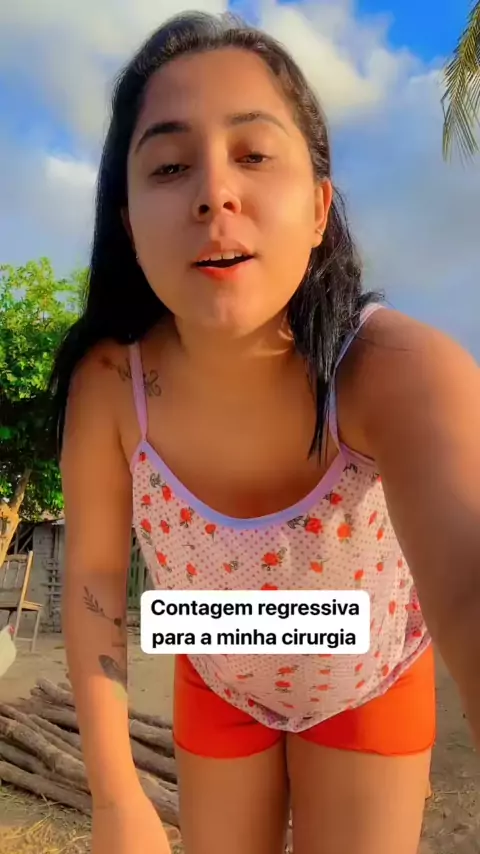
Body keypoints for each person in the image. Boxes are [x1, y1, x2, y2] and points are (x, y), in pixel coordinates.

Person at [50, 11, 480, 854]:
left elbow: (467, 579)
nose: (214, 193)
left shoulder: (397, 370)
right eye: (169, 166)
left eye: (253, 154)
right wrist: (114, 796)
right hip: (217, 667)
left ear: (319, 208)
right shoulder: (112, 387)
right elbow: (95, 576)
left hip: (367, 676)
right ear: (130, 224)